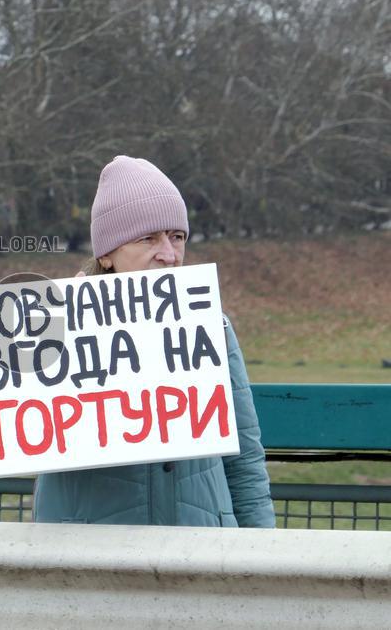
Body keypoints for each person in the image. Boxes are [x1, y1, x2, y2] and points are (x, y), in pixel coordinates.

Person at [33, 155, 275, 527]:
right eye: (149, 238)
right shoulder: (56, 329)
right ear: (107, 254)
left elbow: (243, 459)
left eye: (177, 237)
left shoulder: (211, 326)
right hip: (89, 555)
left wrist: (261, 555)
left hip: (200, 549)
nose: (168, 254)